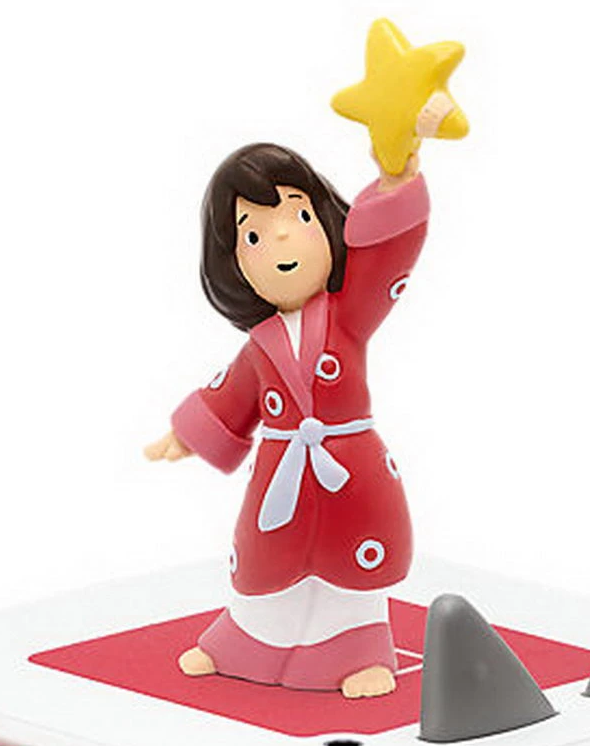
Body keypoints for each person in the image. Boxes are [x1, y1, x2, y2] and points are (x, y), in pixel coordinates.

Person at [146, 101, 449, 697]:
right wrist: (187, 435)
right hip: (280, 473)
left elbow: (385, 258)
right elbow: (232, 395)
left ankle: (358, 649)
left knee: (349, 568)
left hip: (349, 469)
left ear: (327, 221)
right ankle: (249, 641)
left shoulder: (349, 315)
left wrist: (395, 183)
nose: (282, 237)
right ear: (233, 262)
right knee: (268, 563)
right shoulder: (260, 345)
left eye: (299, 214)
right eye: (254, 233)